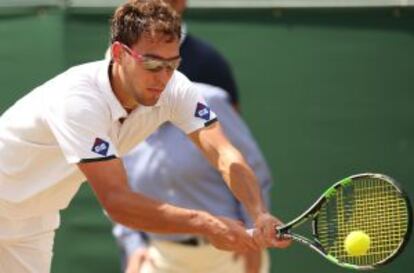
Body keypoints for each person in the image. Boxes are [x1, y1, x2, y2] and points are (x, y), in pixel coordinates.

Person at [0, 1, 290, 272]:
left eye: (172, 64)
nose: (163, 78)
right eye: (151, 64)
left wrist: (258, 212)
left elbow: (224, 153)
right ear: (118, 53)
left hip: (34, 221)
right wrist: (206, 223)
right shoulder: (79, 100)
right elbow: (117, 201)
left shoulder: (176, 88)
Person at [114, 83, 272, 273]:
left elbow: (250, 167)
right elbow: (117, 192)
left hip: (230, 254)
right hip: (161, 258)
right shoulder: (116, 117)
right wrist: (134, 246)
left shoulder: (209, 101)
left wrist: (253, 236)